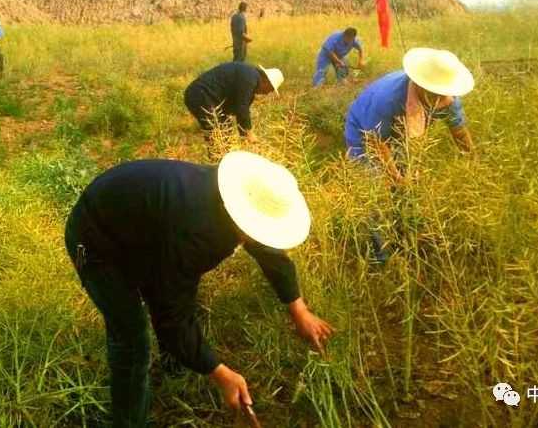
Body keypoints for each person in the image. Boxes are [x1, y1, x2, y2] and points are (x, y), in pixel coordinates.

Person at [65, 151, 334, 427]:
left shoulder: (237, 198)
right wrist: (219, 373)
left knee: (168, 294)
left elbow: (269, 252)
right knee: (132, 340)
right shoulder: (197, 234)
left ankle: (175, 365)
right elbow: (172, 315)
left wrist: (298, 308)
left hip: (139, 226)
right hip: (95, 241)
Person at [344, 48, 475, 263]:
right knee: (375, 193)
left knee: (403, 192)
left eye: (444, 94)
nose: (440, 99)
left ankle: (401, 234)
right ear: (422, 85)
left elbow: (459, 131)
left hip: (398, 135)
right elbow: (378, 142)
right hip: (365, 133)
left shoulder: (447, 98)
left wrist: (472, 159)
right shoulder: (388, 99)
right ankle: (380, 257)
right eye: (434, 94)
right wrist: (396, 177)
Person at [184, 62, 283, 147]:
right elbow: (242, 108)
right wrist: (248, 133)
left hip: (206, 96)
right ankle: (217, 163)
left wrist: (244, 134)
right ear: (267, 81)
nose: (267, 93)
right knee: (218, 135)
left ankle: (223, 158)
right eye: (270, 90)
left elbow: (236, 108)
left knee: (225, 131)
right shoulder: (249, 79)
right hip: (200, 95)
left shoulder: (250, 76)